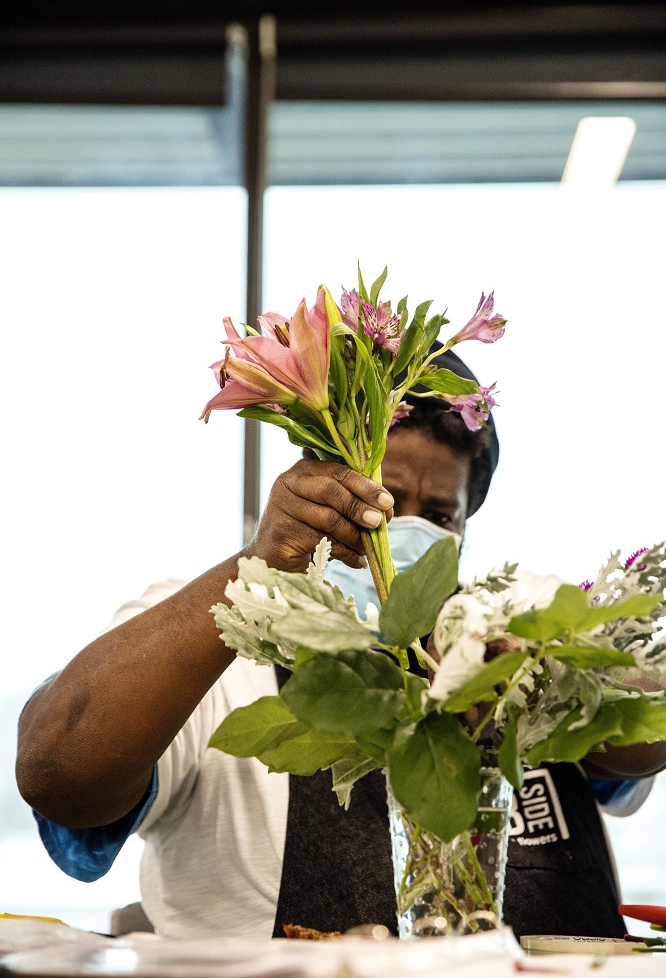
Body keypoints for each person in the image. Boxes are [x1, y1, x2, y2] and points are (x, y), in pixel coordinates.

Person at [15, 349, 666, 941]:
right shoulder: (220, 644)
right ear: (314, 486)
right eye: (375, 499)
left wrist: (534, 676)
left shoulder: (517, 616)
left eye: (439, 516)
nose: (401, 529)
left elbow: (649, 726)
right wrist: (256, 569)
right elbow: (58, 773)